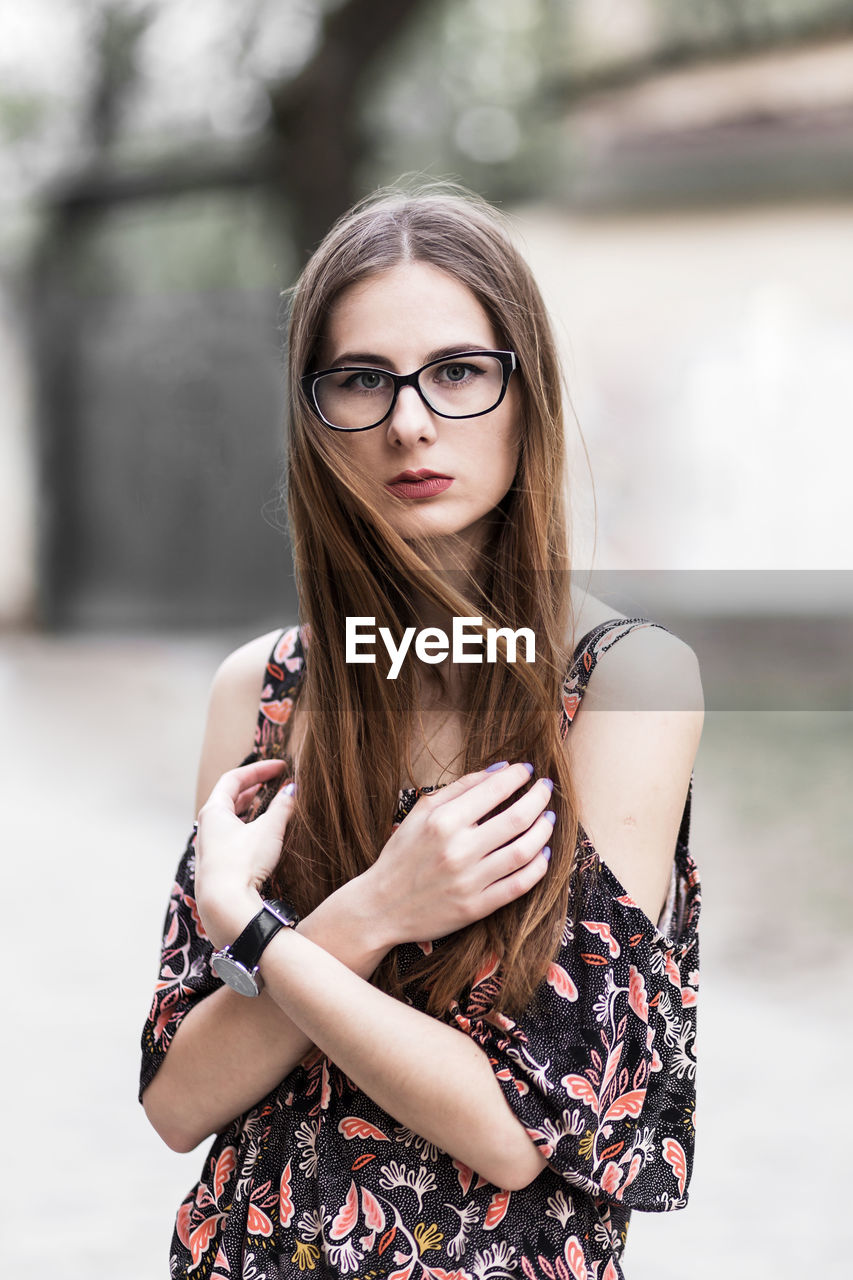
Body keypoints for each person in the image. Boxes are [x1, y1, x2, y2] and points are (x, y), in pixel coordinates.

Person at [139, 182, 703, 1280]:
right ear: (314, 413)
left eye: (456, 372)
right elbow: (180, 1095)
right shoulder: (260, 692)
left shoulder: (625, 683)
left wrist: (256, 936)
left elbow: (510, 1128)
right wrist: (372, 912)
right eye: (361, 379)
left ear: (525, 393)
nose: (408, 421)